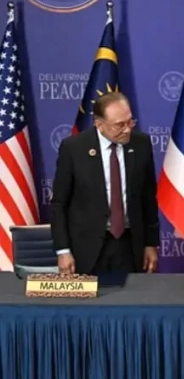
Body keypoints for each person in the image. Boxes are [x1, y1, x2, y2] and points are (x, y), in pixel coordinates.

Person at [51, 92, 160, 275]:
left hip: (129, 246)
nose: (127, 130)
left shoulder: (141, 144)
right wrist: (63, 250)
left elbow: (148, 198)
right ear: (99, 124)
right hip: (85, 248)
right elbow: (59, 203)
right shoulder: (74, 148)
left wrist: (151, 243)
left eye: (130, 122)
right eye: (119, 125)